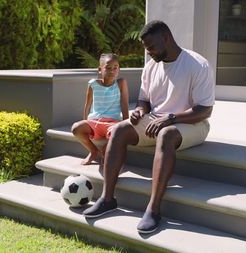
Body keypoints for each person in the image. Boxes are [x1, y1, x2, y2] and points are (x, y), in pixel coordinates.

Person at [82, 20, 215, 234]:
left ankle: (153, 209)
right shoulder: (151, 66)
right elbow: (144, 100)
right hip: (157, 120)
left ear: (166, 38)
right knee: (118, 130)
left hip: (192, 124)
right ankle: (107, 199)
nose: (149, 53)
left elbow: (204, 111)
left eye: (151, 47)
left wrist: (170, 119)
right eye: (146, 49)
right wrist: (140, 111)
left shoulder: (197, 65)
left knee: (166, 134)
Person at [71, 53, 129, 165]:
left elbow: (124, 104)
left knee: (118, 134)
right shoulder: (93, 84)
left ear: (118, 69)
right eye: (108, 68)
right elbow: (87, 105)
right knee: (76, 128)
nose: (112, 71)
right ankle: (93, 151)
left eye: (115, 67)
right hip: (95, 121)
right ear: (100, 69)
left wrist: (126, 125)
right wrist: (85, 121)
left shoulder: (121, 83)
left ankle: (105, 151)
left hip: (113, 123)